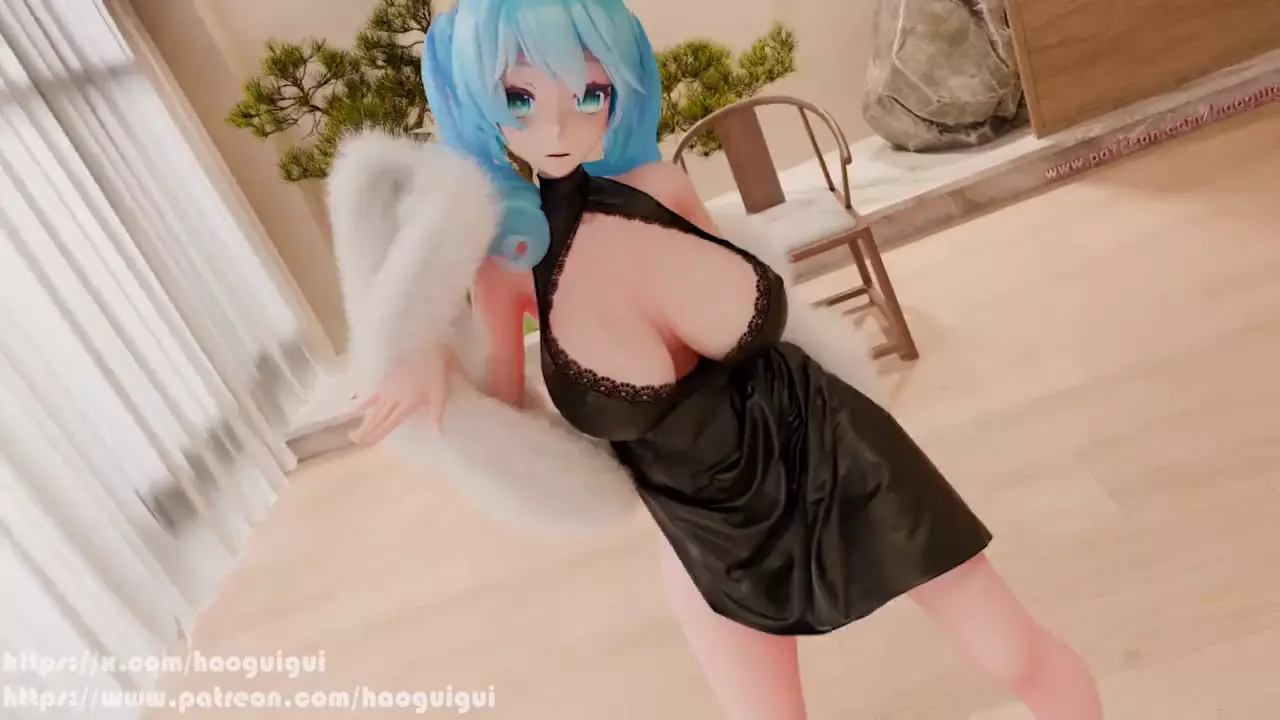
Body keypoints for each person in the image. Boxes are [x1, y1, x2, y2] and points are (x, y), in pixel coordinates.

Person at [344, 1, 1104, 717]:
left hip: (835, 446)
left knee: (1012, 653)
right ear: (480, 104)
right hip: (700, 524)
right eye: (520, 98)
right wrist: (428, 359)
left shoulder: (662, 188)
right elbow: (509, 427)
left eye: (589, 92)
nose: (559, 123)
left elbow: (749, 300)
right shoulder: (508, 267)